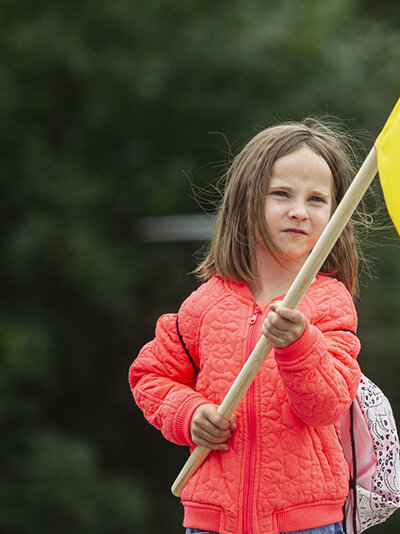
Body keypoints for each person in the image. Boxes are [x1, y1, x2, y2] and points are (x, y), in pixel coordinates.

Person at [130, 119, 363, 534]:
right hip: (211, 521)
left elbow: (327, 405)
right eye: (281, 194)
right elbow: (151, 376)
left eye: (317, 200)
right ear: (246, 200)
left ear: (334, 212)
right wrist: (189, 413)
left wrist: (299, 344)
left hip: (304, 522)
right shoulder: (204, 304)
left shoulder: (329, 303)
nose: (298, 211)